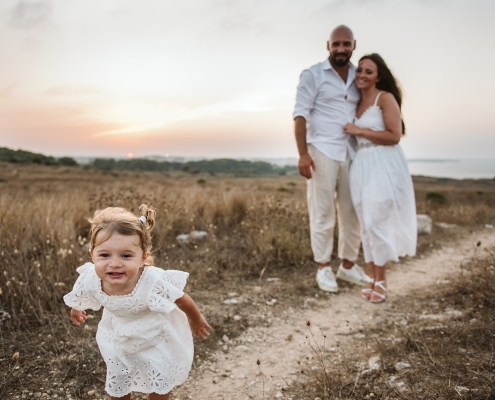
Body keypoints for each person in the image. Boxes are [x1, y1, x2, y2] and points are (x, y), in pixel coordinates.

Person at [64, 205, 211, 400]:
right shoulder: (91, 277)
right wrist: (77, 308)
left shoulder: (152, 281)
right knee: (118, 381)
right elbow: (82, 292)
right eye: (104, 255)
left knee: (158, 380)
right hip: (119, 339)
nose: (114, 263)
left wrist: (196, 319)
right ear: (92, 254)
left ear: (143, 258)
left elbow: (181, 299)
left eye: (126, 256)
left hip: (154, 338)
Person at [293, 25, 368, 292]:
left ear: (353, 45)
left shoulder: (360, 75)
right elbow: (300, 115)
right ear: (328, 46)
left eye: (346, 44)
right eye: (336, 44)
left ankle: (348, 266)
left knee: (352, 212)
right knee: (322, 212)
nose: (341, 49)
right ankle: (323, 268)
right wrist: (303, 153)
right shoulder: (313, 75)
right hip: (321, 151)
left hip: (351, 152)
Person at [343, 53, 417, 303]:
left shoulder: (385, 98)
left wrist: (360, 130)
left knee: (377, 221)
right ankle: (371, 278)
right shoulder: (355, 103)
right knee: (366, 221)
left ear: (379, 76)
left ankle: (382, 279)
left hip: (383, 162)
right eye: (360, 70)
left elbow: (395, 135)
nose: (362, 75)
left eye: (369, 71)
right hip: (361, 163)